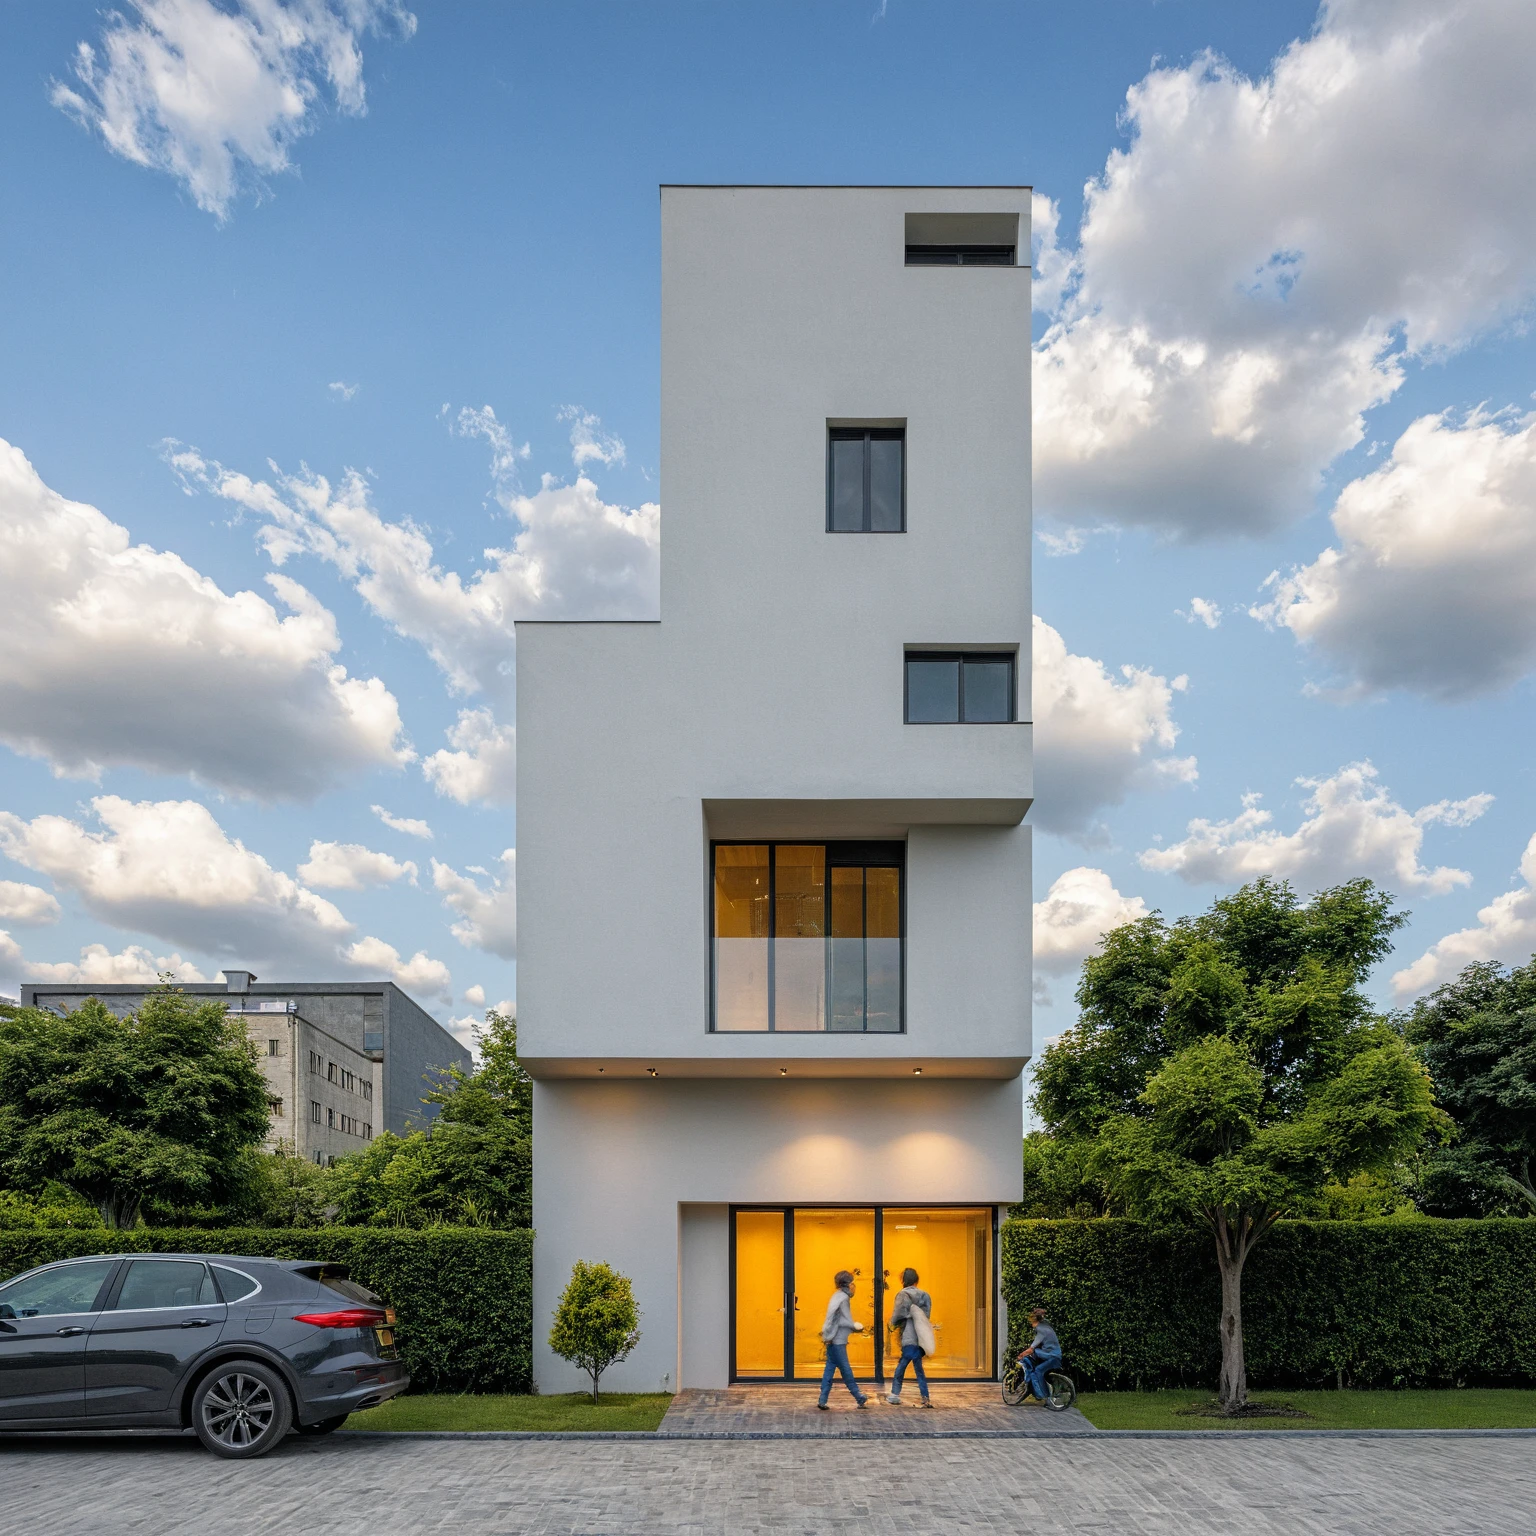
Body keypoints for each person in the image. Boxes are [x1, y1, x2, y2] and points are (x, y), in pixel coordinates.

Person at [817, 1270, 870, 1409]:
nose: (854, 1286)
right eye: (852, 1283)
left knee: (829, 1369)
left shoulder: (836, 1296)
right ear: (847, 1284)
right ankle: (858, 1396)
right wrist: (855, 1326)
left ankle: (822, 1399)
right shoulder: (843, 1299)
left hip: (832, 1338)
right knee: (846, 1369)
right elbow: (844, 1320)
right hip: (838, 1339)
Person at [884, 1267, 933, 1407]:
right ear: (916, 1280)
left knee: (902, 1365)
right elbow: (926, 1316)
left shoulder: (903, 1295)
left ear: (903, 1280)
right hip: (921, 1336)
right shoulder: (925, 1296)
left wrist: (892, 1325)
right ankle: (925, 1396)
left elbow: (898, 1314)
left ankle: (894, 1394)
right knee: (918, 1368)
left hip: (909, 1335)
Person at [1018, 1306, 1062, 1402]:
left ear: (1035, 1320)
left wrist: (1021, 1355)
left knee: (1037, 1371)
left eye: (1032, 1321)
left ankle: (1044, 1396)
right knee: (1038, 1363)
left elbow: (1031, 1349)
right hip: (1055, 1354)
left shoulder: (1041, 1330)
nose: (1031, 1323)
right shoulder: (1046, 1325)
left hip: (1051, 1356)